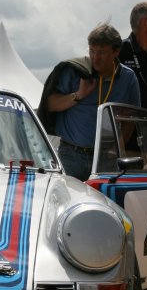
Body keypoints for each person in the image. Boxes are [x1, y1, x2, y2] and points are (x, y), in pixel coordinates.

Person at [46, 24, 141, 181]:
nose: (95, 58)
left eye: (102, 53)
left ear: (116, 52)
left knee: (105, 197)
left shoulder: (128, 78)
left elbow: (131, 118)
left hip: (106, 158)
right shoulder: (75, 71)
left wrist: (117, 147)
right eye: (92, 51)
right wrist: (79, 95)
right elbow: (50, 104)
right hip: (71, 155)